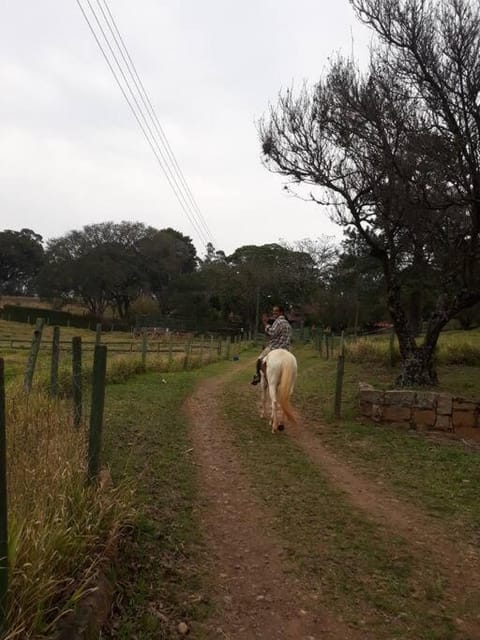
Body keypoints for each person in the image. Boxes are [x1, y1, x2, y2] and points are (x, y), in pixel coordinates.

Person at [251, 304, 292, 385]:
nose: (274, 313)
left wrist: (266, 324)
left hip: (275, 347)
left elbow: (272, 332)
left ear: (281, 312)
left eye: (276, 311)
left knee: (259, 359)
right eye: (273, 311)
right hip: (286, 349)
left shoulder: (278, 321)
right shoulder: (287, 324)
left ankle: (258, 376)